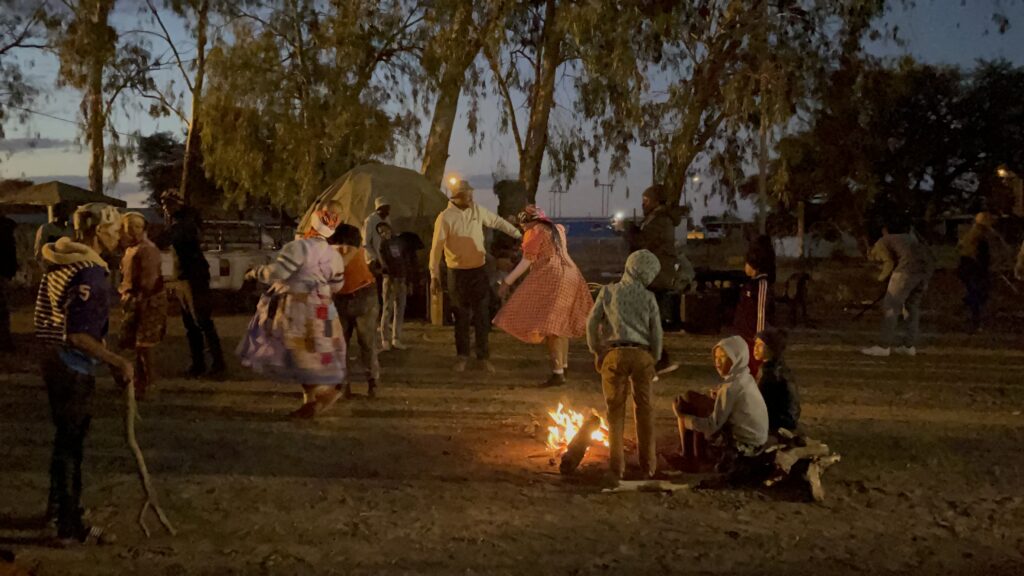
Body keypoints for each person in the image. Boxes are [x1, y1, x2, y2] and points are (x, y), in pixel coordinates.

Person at [35, 203, 134, 544]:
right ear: (97, 231)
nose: (119, 236)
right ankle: (69, 525)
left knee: (63, 441)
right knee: (71, 446)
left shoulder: (60, 259)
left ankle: (57, 509)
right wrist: (116, 361)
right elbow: (78, 334)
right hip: (71, 364)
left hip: (51, 359)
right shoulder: (91, 271)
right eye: (115, 230)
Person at [237, 207, 347, 418]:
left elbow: (278, 272)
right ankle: (314, 400)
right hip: (324, 308)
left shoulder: (298, 248)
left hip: (299, 307)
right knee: (319, 351)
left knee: (299, 353)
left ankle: (325, 393)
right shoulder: (334, 255)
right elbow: (337, 285)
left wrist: (256, 272)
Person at [494, 205, 594, 387]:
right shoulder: (558, 229)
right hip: (571, 274)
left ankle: (557, 373)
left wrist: (507, 282)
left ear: (527, 222)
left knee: (551, 328)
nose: (523, 230)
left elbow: (527, 261)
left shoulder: (534, 232)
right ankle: (563, 367)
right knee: (560, 325)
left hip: (553, 277)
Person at [429, 181, 522, 373]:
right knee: (461, 317)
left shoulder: (477, 211)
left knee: (482, 316)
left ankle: (483, 357)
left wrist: (518, 233)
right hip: (457, 274)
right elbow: (436, 249)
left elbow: (497, 222)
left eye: (472, 194)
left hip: (478, 272)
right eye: (467, 195)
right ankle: (462, 356)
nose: (471, 198)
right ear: (457, 196)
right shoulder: (445, 217)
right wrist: (434, 275)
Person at [586, 249, 662, 480]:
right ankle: (648, 466)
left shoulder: (608, 292)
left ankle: (616, 467)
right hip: (641, 355)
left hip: (614, 353)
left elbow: (591, 324)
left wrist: (597, 350)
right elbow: (656, 332)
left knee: (615, 411)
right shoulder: (649, 298)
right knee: (644, 410)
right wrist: (655, 358)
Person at [673, 335, 769, 477]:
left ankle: (691, 459)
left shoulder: (731, 388)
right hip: (757, 439)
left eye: (723, 357)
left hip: (745, 447)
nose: (717, 362)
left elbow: (712, 425)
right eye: (716, 357)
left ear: (736, 358)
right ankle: (691, 456)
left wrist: (683, 419)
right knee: (691, 398)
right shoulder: (745, 376)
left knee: (686, 408)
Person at [155, 189, 225, 378]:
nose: (165, 208)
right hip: (184, 276)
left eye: (168, 204)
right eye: (163, 204)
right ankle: (199, 363)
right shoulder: (182, 221)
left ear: (179, 204)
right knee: (191, 324)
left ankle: (217, 365)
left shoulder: (186, 223)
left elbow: (164, 239)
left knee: (202, 321)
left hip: (194, 277)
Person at [625, 184, 681, 374]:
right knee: (646, 320)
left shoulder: (660, 221)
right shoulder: (656, 219)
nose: (643, 203)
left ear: (656, 201)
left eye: (646, 200)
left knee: (646, 320)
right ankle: (655, 359)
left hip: (656, 278)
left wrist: (630, 230)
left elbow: (643, 243)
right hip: (654, 276)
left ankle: (658, 360)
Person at [860, 222, 934, 357]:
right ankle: (908, 346)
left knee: (890, 307)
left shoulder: (882, 242)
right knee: (912, 308)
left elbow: (889, 263)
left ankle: (883, 346)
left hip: (906, 271)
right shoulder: (908, 238)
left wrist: (880, 279)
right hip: (924, 272)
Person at [117, 213, 167, 399]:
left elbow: (149, 281)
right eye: (130, 227)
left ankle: (151, 383)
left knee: (145, 344)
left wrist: (136, 298)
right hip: (134, 298)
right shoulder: (131, 249)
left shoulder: (147, 249)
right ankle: (139, 382)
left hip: (148, 300)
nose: (133, 231)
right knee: (134, 345)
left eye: (137, 227)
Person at [329, 224, 381, 398]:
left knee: (362, 343)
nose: (344, 249)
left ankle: (366, 382)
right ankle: (365, 383)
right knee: (358, 343)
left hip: (361, 294)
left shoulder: (338, 251)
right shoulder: (351, 247)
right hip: (355, 294)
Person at [733, 236, 775, 378]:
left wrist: (760, 335)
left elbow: (761, 311)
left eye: (747, 264)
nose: (745, 267)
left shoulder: (762, 284)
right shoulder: (749, 285)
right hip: (744, 334)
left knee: (755, 369)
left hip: (753, 337)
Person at [957, 212, 1005, 332]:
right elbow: (981, 255)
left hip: (968, 267)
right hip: (973, 268)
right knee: (978, 293)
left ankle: (969, 309)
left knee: (977, 292)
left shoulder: (972, 234)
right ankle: (974, 320)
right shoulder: (979, 236)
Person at [377, 222, 418, 352]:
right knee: (388, 308)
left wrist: (408, 280)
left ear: (390, 228)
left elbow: (405, 261)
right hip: (390, 280)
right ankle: (385, 339)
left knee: (400, 309)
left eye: (385, 230)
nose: (384, 233)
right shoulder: (383, 245)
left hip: (401, 279)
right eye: (381, 232)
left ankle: (396, 338)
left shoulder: (398, 243)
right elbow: (384, 263)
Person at [753, 327, 800, 434]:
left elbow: (762, 403)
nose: (755, 348)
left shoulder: (773, 375)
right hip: (783, 419)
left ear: (772, 349)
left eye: (760, 346)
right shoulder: (771, 368)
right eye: (755, 344)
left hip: (779, 423)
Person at [0, 210, 16, 351]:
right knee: (3, 308)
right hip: (4, 272)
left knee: (3, 308)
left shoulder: (6, 228)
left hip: (3, 272)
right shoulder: (7, 228)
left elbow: (11, 251)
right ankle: (5, 340)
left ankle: (5, 341)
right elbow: (11, 251)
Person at [363, 197, 391, 274]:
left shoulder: (387, 219)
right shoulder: (370, 220)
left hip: (384, 257)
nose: (388, 211)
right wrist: (376, 258)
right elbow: (366, 243)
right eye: (386, 208)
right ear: (380, 208)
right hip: (374, 260)